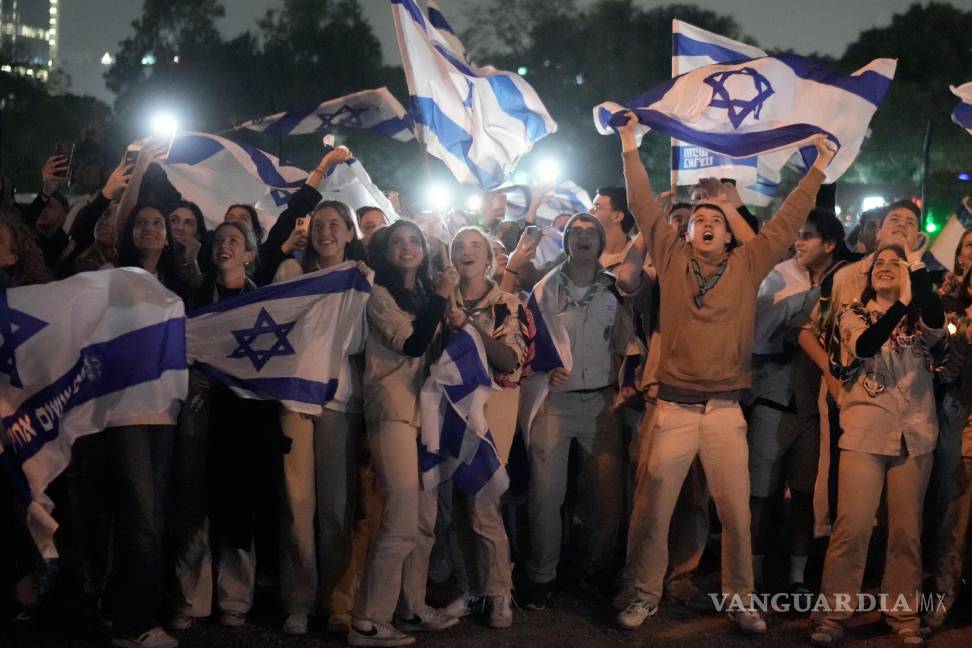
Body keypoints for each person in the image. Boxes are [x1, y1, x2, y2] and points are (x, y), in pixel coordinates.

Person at [615, 111, 833, 634]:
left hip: (725, 413)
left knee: (736, 515)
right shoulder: (669, 258)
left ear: (729, 232)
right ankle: (643, 594)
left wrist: (819, 164)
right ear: (685, 231)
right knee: (653, 511)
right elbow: (643, 203)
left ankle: (741, 599)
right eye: (699, 220)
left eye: (716, 220)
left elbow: (786, 221)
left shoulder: (748, 263)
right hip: (672, 409)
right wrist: (628, 143)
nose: (707, 224)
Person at [809, 245, 945, 646]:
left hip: (916, 432)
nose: (885, 269)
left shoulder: (922, 316)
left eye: (894, 263)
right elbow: (866, 346)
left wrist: (917, 272)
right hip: (866, 431)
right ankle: (834, 614)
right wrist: (902, 300)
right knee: (852, 527)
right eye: (878, 265)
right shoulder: (852, 312)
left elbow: (936, 324)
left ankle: (902, 612)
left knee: (906, 530)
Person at [348, 219, 459, 647]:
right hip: (392, 409)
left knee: (422, 516)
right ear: (385, 250)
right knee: (399, 512)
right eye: (398, 242)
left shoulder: (426, 294)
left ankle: (409, 606)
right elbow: (412, 344)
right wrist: (440, 299)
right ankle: (367, 619)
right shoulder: (378, 296)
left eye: (415, 240)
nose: (408, 247)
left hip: (425, 412)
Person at [522, 210, 639, 609]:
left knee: (607, 496)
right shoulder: (543, 290)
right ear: (567, 240)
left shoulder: (615, 291)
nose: (584, 237)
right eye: (576, 231)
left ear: (602, 242)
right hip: (554, 404)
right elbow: (528, 344)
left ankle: (595, 570)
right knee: (545, 495)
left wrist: (627, 384)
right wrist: (543, 370)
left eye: (592, 232)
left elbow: (630, 344)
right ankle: (542, 574)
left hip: (602, 404)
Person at [170, 221, 273, 632]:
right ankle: (191, 599)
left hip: (242, 417)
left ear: (249, 255)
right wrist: (187, 373)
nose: (225, 246)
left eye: (235, 241)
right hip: (198, 412)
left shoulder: (264, 304)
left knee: (238, 503)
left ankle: (235, 597)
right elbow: (174, 344)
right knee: (192, 506)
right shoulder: (193, 298)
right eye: (220, 241)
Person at [274, 199, 370, 636]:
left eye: (336, 224)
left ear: (350, 233)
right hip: (295, 399)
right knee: (297, 505)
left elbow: (363, 342)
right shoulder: (292, 274)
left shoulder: (365, 280)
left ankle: (337, 600)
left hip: (340, 401)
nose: (326, 232)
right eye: (318, 225)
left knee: (336, 508)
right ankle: (299, 599)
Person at [746, 209, 845, 593]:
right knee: (762, 494)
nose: (799, 242)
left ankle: (798, 577)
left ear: (830, 245)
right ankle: (752, 576)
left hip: (811, 405)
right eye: (797, 235)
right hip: (772, 397)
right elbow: (756, 337)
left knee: (804, 494)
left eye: (808, 236)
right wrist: (798, 318)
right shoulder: (778, 276)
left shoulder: (838, 282)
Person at [440, 227, 528, 628]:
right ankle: (470, 588)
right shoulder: (441, 300)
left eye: (475, 245)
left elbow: (510, 359)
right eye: (458, 246)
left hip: (491, 411)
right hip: (448, 409)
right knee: (457, 503)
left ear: (490, 258)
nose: (466, 251)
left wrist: (470, 327)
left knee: (483, 502)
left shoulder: (506, 304)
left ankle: (499, 592)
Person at [589, 186, 634, 272]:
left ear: (617, 217)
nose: (590, 211)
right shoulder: (578, 252)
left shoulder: (638, 260)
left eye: (597, 207)